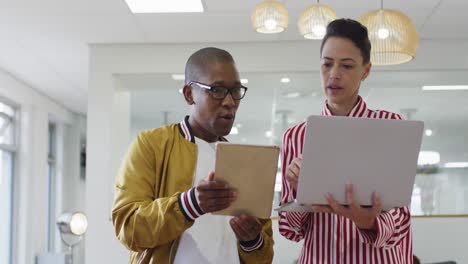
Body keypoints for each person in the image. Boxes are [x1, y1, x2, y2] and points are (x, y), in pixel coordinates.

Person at [112, 47, 274, 264]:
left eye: (235, 91)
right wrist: (190, 205)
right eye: (216, 90)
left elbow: (264, 258)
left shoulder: (245, 161)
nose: (230, 102)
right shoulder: (151, 145)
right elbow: (128, 228)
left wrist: (251, 240)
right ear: (189, 94)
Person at [279, 19, 413, 263]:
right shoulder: (296, 137)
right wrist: (301, 193)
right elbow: (289, 230)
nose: (334, 74)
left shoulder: (391, 127)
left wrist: (368, 221)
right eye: (327, 64)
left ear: (366, 70)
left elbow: (402, 222)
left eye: (347, 66)